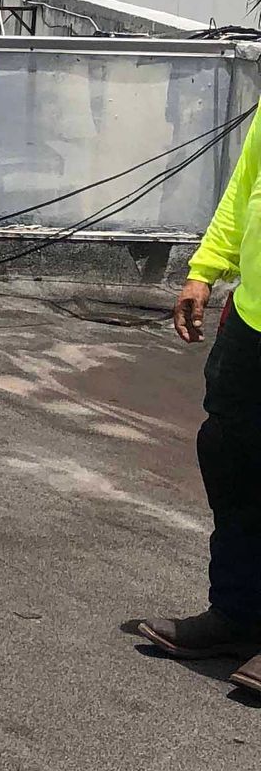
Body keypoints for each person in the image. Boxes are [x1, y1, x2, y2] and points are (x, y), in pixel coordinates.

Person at [137, 105, 261, 691]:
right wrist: (206, 270)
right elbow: (245, 190)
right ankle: (238, 613)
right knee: (232, 462)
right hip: (254, 324)